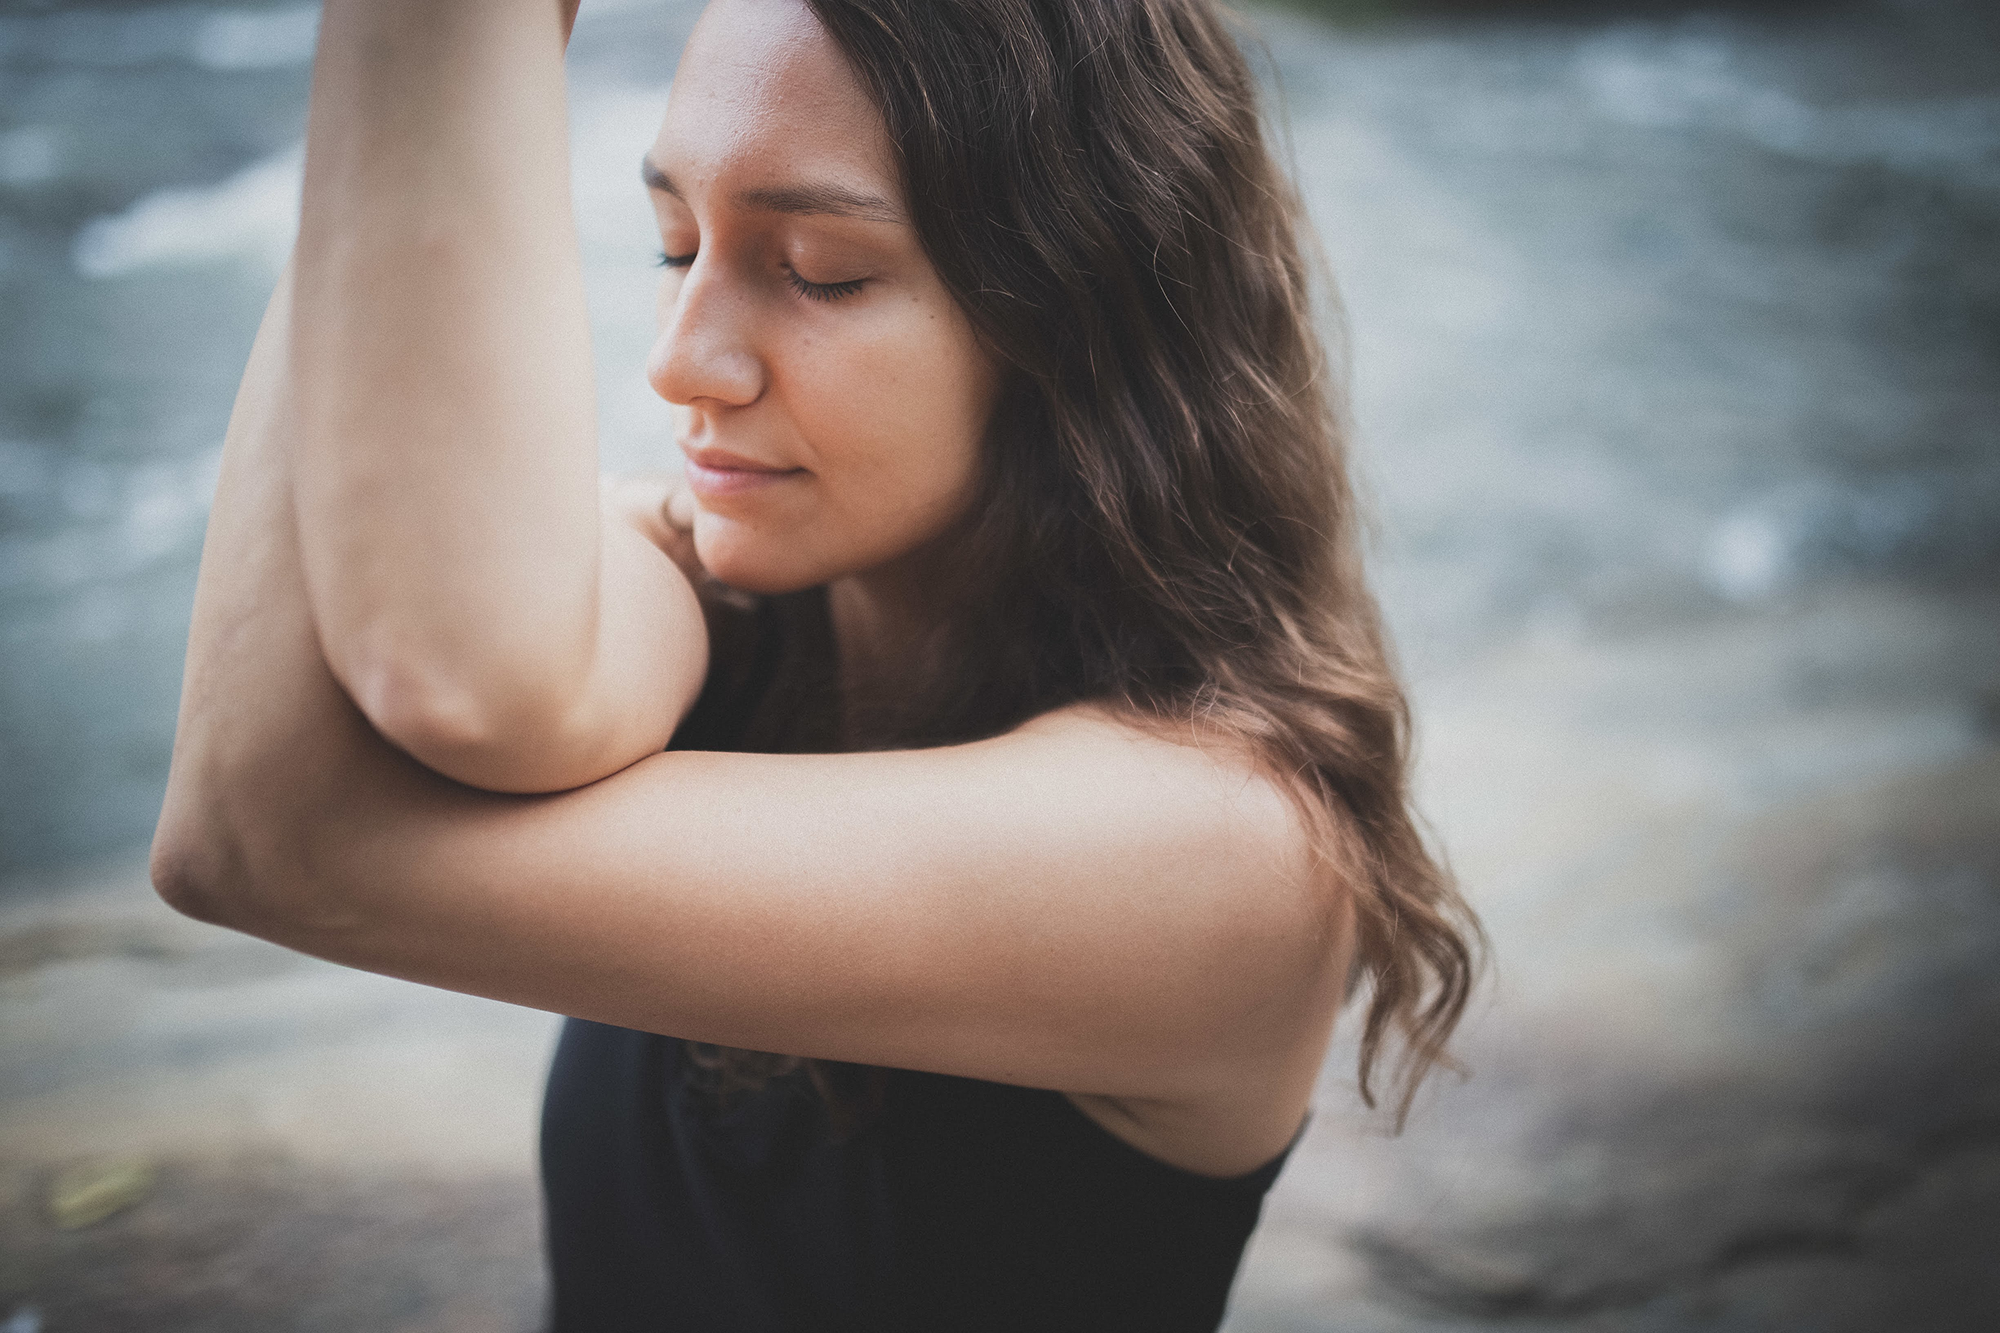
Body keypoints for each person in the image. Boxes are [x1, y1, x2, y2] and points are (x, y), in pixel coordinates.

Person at [150, 0, 1482, 1327]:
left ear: (1082, 324)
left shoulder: (1222, 855)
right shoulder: (723, 590)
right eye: (676, 245)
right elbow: (476, 677)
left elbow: (269, 831)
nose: (683, 363)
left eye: (819, 272)